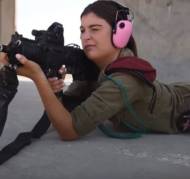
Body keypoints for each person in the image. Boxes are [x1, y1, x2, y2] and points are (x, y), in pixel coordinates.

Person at [1, 0, 190, 141]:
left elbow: (69, 130)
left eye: (95, 29)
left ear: (120, 32)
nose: (86, 37)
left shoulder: (124, 79)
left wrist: (38, 77)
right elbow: (66, 112)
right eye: (82, 30)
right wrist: (56, 91)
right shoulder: (96, 69)